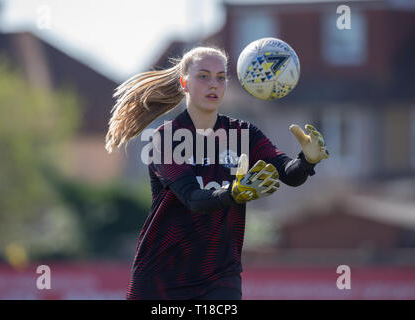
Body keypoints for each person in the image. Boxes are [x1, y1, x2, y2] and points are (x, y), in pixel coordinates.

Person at [105, 46, 329, 300]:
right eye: (203, 76)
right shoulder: (166, 139)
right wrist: (233, 193)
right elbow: (193, 199)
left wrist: (307, 161)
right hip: (162, 278)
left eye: (221, 77)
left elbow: (289, 174)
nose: (214, 84)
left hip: (220, 277)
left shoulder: (244, 134)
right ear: (184, 83)